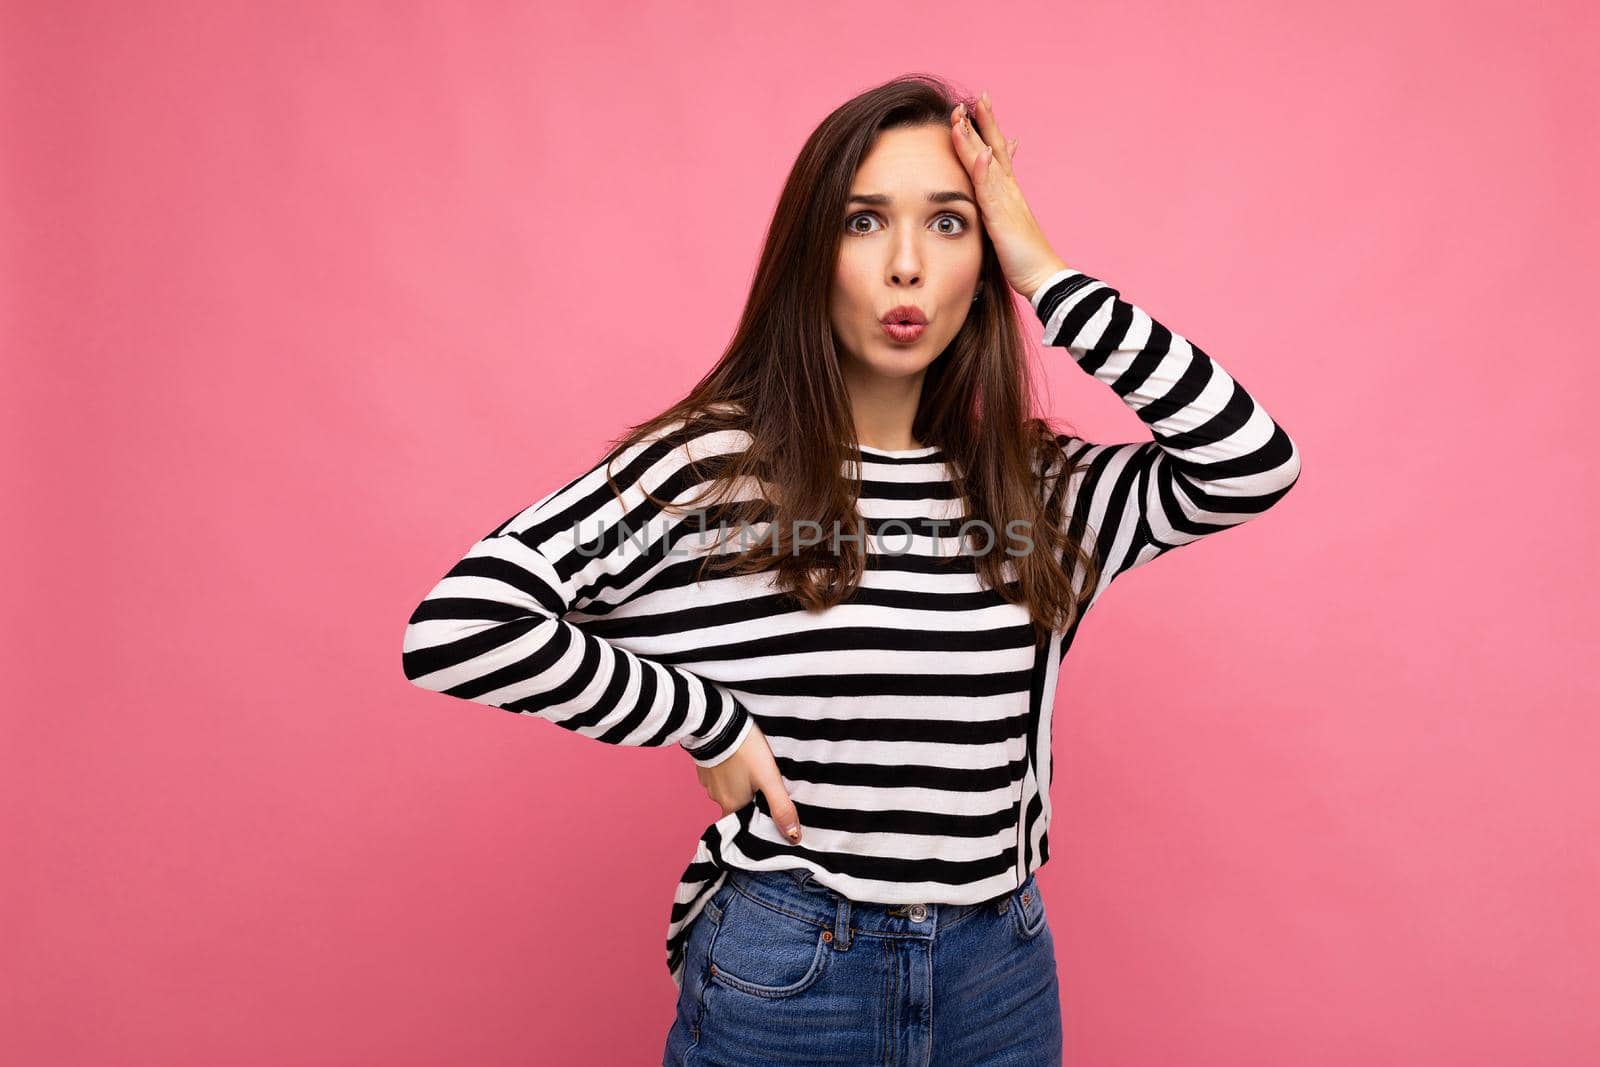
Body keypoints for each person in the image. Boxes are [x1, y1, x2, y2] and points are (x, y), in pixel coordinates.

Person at [401, 74, 1301, 1066]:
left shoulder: (1037, 489)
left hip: (998, 971)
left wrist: (1045, 271)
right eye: (865, 220)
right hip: (790, 966)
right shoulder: (714, 469)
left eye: (950, 224)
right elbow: (461, 626)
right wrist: (704, 717)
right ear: (810, 253)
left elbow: (1249, 460)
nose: (906, 265)